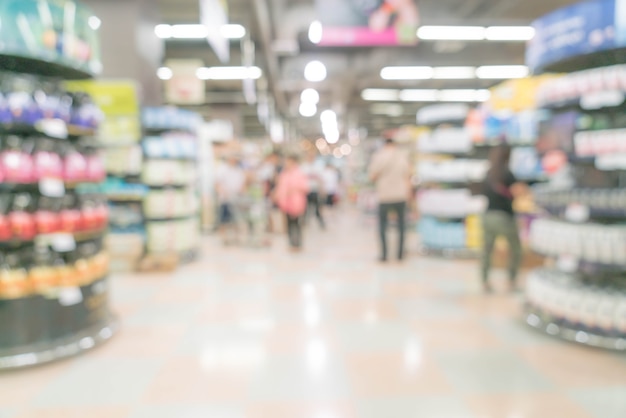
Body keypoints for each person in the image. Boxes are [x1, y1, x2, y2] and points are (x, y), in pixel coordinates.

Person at [480, 144, 523, 292]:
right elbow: (517, 192)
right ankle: (511, 280)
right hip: (504, 217)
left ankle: (484, 281)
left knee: (487, 251)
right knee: (515, 249)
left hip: (487, 216)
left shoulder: (489, 173)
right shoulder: (507, 174)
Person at [368, 137, 411, 262]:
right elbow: (407, 176)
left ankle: (384, 254)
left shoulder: (379, 156)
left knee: (382, 225)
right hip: (400, 195)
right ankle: (400, 254)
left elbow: (372, 176)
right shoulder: (403, 156)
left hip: (384, 195)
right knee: (402, 225)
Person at [274, 155, 309, 251]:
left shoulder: (299, 173)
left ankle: (297, 243)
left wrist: (292, 190)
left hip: (297, 203)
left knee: (297, 224)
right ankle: (291, 243)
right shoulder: (284, 174)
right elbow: (280, 187)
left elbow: (305, 187)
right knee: (288, 224)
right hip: (286, 203)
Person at [215, 156, 246, 245]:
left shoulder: (238, 170)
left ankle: (236, 238)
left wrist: (241, 191)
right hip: (225, 199)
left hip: (236, 199)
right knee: (223, 220)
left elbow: (242, 183)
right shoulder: (222, 169)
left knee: (236, 219)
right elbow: (217, 184)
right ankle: (224, 239)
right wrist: (223, 192)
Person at [301, 154, 326, 229]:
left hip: (315, 190)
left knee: (317, 208)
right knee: (305, 208)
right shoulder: (303, 166)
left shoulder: (318, 166)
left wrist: (322, 190)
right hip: (306, 191)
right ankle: (304, 222)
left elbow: (321, 179)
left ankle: (321, 222)